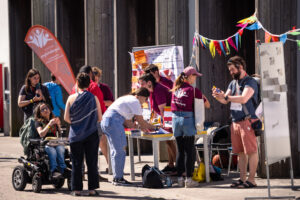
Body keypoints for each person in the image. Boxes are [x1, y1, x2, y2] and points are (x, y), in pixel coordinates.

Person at [212, 56, 259, 188]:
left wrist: (225, 96)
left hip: (247, 121)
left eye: (233, 69)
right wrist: (218, 96)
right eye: (230, 70)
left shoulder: (250, 82)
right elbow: (226, 100)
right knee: (240, 152)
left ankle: (251, 180)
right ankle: (242, 178)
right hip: (235, 122)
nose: (231, 72)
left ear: (240, 67)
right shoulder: (232, 83)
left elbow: (244, 98)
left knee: (251, 151)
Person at [101, 87, 158, 186]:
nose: (144, 103)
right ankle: (118, 179)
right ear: (141, 97)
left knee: (115, 150)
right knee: (120, 150)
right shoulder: (135, 101)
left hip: (107, 121)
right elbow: (142, 121)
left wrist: (140, 126)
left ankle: (117, 177)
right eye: (145, 100)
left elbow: (129, 123)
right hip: (113, 121)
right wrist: (156, 128)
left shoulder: (127, 98)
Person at [171, 66, 210, 188]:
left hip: (175, 120)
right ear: (189, 77)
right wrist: (203, 95)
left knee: (180, 151)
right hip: (187, 120)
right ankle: (189, 179)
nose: (195, 78)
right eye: (194, 76)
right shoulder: (193, 90)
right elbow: (207, 105)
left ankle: (179, 179)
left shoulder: (175, 89)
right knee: (190, 151)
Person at [64, 72, 102, 196]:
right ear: (89, 84)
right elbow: (99, 118)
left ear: (77, 83)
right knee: (92, 161)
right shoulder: (93, 97)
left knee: (76, 162)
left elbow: (66, 118)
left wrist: (77, 123)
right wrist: (88, 122)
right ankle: (92, 189)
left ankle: (76, 190)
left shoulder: (71, 98)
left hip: (75, 134)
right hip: (91, 133)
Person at [138, 73, 177, 173]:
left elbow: (162, 109)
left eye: (142, 84)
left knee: (169, 140)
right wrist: (151, 122)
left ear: (149, 83)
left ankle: (178, 166)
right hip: (166, 118)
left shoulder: (158, 89)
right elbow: (154, 111)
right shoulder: (151, 92)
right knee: (168, 141)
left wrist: (160, 125)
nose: (140, 86)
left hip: (170, 117)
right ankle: (171, 165)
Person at [33, 102, 66, 179]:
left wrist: (59, 125)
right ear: (40, 113)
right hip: (44, 144)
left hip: (55, 142)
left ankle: (62, 169)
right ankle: (53, 170)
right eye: (42, 110)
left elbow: (61, 134)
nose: (45, 110)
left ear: (50, 110)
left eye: (46, 108)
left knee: (61, 148)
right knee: (52, 150)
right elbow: (41, 134)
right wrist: (49, 125)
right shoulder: (38, 122)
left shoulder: (54, 120)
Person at [92, 66, 113, 177]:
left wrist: (99, 101)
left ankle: (110, 164)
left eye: (97, 76)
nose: (95, 78)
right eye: (93, 76)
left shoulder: (104, 88)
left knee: (102, 141)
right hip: (91, 118)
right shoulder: (87, 87)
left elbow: (111, 102)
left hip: (104, 117)